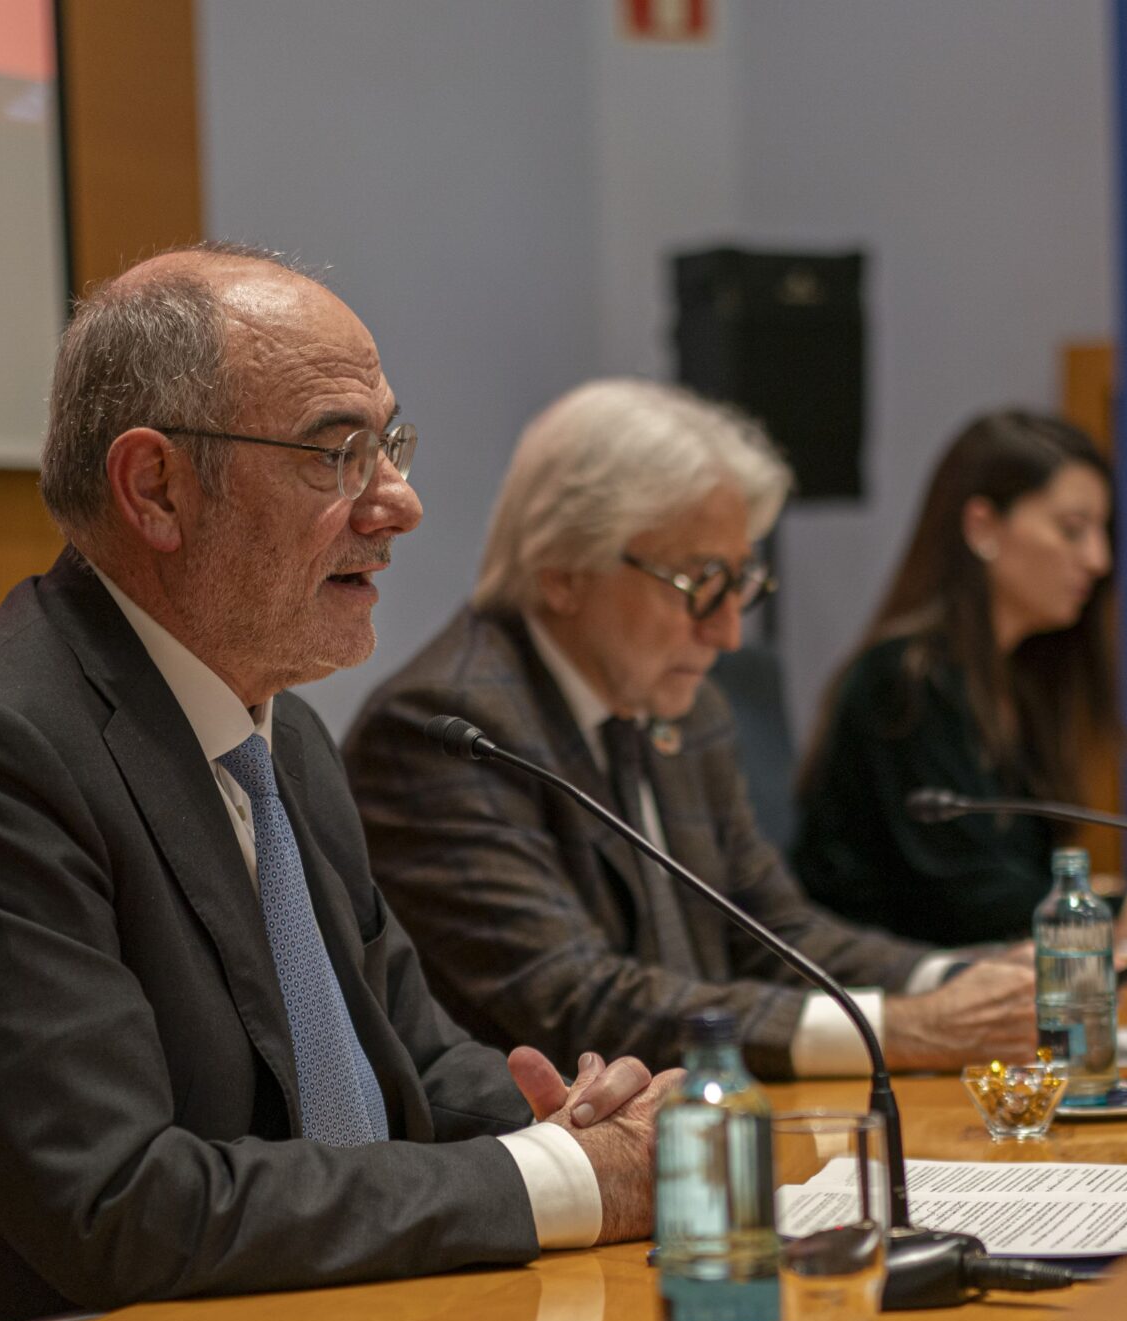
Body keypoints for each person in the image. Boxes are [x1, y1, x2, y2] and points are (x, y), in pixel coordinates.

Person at [0, 245, 672, 1321]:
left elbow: (408, 1055)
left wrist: (568, 1122)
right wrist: (558, 1184)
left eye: (391, 446)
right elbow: (121, 1204)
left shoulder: (276, 733)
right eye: (333, 452)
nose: (397, 502)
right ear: (155, 491)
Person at [343, 378, 1035, 1083]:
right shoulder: (447, 731)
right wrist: (906, 1031)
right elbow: (580, 1002)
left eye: (739, 582)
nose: (728, 630)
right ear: (564, 570)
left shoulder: (683, 706)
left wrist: (965, 980)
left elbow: (776, 933)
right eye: (700, 581)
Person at [793, 409, 1127, 946]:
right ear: (982, 527)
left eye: (1102, 532)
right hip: (890, 1004)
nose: (1098, 559)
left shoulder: (1023, 676)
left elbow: (1024, 879)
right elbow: (975, 902)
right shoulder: (902, 682)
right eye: (1072, 530)